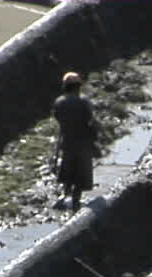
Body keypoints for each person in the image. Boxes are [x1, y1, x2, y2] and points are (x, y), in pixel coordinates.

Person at [51, 71, 97, 211]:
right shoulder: (84, 102)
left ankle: (65, 196)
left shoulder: (60, 102)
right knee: (81, 174)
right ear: (78, 86)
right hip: (83, 144)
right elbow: (90, 121)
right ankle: (76, 201)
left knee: (67, 171)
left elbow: (58, 118)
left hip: (67, 142)